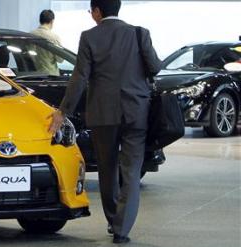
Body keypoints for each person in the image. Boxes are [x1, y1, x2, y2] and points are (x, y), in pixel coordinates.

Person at [48, 0, 161, 244]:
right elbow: (155, 66)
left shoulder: (89, 37)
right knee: (131, 172)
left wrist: (63, 111)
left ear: (98, 11)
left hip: (103, 113)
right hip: (136, 112)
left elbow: (80, 78)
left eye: (92, 11)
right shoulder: (140, 34)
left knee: (107, 170)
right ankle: (122, 229)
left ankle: (113, 220)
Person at [31, 9, 63, 76]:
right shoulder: (54, 37)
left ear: (40, 20)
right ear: (52, 21)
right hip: (51, 77)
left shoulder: (29, 35)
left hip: (33, 75)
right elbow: (60, 59)